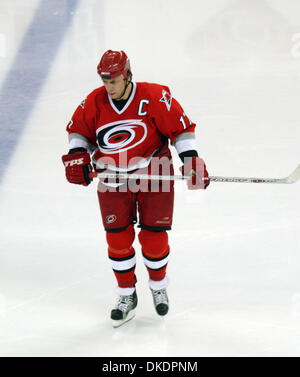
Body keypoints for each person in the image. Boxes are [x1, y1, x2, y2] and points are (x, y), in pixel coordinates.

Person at [61, 50, 209, 327]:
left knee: (154, 241)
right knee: (117, 240)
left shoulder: (154, 97)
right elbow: (79, 131)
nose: (109, 87)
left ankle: (158, 285)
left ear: (127, 75)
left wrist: (190, 160)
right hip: (112, 179)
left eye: (114, 81)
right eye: (105, 81)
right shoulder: (93, 102)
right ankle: (126, 294)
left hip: (155, 174)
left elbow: (180, 129)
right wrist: (77, 155)